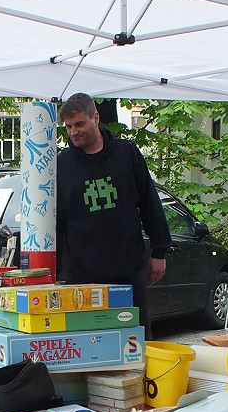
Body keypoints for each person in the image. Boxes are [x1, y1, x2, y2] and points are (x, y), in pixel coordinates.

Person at [56, 93, 172, 337]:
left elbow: (150, 202)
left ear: (95, 118)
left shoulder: (126, 154)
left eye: (79, 124)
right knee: (88, 343)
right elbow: (58, 223)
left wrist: (160, 251)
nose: (73, 132)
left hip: (127, 270)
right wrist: (56, 272)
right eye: (68, 126)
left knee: (138, 340)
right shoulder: (62, 166)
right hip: (81, 276)